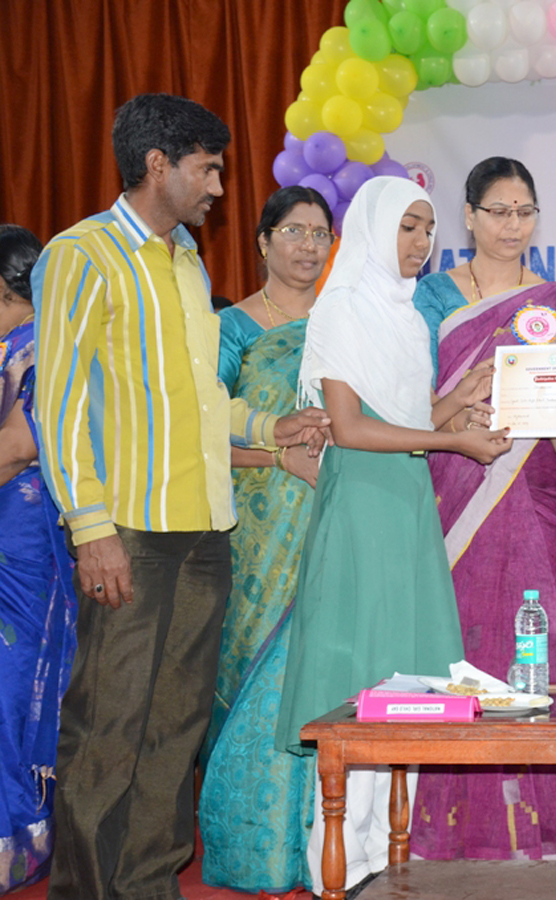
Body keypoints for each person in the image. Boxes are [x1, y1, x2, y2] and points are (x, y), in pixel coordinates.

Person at [31, 93, 332, 900]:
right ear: (157, 164)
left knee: (175, 728)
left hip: (207, 532)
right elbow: (55, 407)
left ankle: (149, 884)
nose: (220, 188)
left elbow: (205, 401)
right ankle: (88, 891)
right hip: (128, 531)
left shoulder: (188, 258)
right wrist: (90, 529)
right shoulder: (81, 254)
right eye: (208, 168)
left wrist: (274, 427)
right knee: (109, 726)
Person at [274, 176, 512, 894]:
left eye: (428, 230)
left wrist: (455, 410)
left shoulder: (407, 317)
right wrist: (453, 445)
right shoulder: (342, 309)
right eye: (408, 228)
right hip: (361, 506)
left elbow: (403, 419)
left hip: (407, 501)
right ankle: (331, 867)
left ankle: (372, 858)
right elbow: (349, 428)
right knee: (353, 677)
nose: (421, 244)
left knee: (392, 678)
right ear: (376, 229)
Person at [409, 157, 556, 861]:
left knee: (539, 645)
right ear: (470, 216)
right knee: (463, 645)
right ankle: (452, 828)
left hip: (539, 492)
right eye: (499, 211)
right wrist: (464, 404)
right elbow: (407, 406)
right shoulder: (431, 300)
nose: (513, 226)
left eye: (525, 212)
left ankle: (543, 829)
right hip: (457, 481)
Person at [196, 186, 334, 892]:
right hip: (256, 531)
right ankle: (253, 852)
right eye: (294, 231)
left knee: (328, 680)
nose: (308, 246)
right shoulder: (231, 329)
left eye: (320, 233)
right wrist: (279, 458)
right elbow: (200, 429)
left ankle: (325, 848)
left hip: (335, 519)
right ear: (262, 241)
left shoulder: (347, 327)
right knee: (251, 676)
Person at [0, 225, 76, 893]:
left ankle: (21, 841)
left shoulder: (40, 350)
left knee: (14, 688)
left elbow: (18, 449)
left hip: (27, 552)